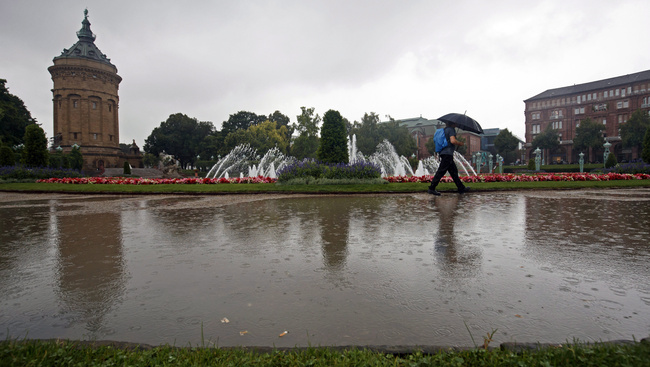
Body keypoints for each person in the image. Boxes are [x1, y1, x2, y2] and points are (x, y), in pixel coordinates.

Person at [428, 122, 470, 195]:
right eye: (455, 124)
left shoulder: (444, 130)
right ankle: (431, 188)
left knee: (454, 172)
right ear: (453, 124)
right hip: (447, 154)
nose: (456, 125)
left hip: (443, 153)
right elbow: (452, 141)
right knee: (441, 171)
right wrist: (459, 143)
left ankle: (461, 188)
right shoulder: (451, 130)